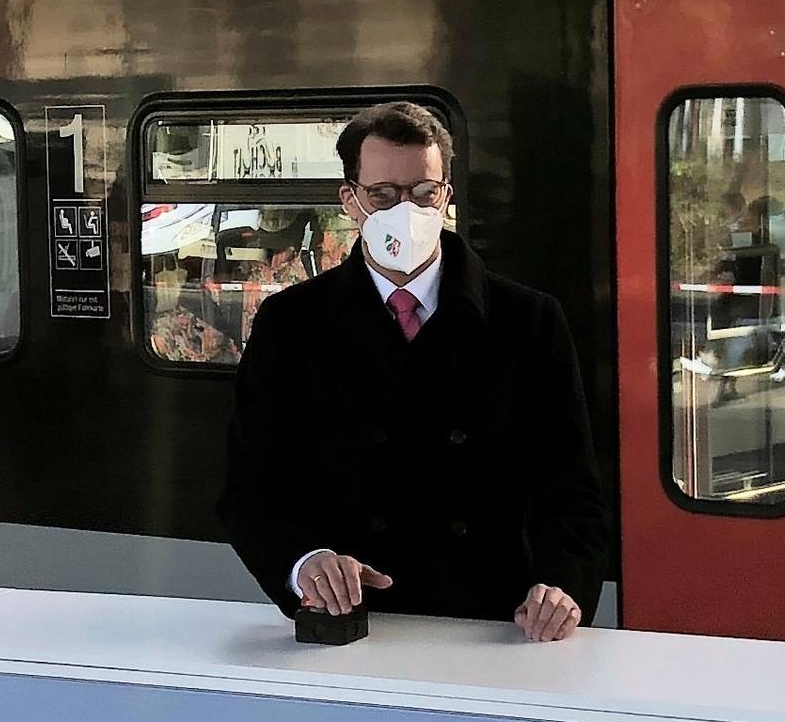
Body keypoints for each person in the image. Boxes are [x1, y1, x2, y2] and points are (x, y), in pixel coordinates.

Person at [218, 102, 610, 642]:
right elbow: (251, 487)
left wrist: (562, 585)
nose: (405, 210)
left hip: (498, 625)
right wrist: (303, 562)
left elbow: (573, 488)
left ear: (445, 196)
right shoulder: (293, 324)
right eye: (382, 195)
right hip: (351, 624)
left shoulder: (528, 321)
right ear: (350, 201)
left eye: (423, 193)